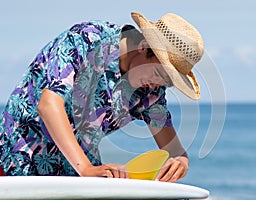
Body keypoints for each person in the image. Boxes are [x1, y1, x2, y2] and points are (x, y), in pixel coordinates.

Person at [0, 12, 204, 182]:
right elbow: (48, 105)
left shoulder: (151, 90)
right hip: (15, 162)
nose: (156, 85)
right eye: (158, 74)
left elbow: (175, 150)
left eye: (167, 82)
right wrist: (86, 169)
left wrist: (180, 161)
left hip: (73, 177)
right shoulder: (88, 39)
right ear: (143, 47)